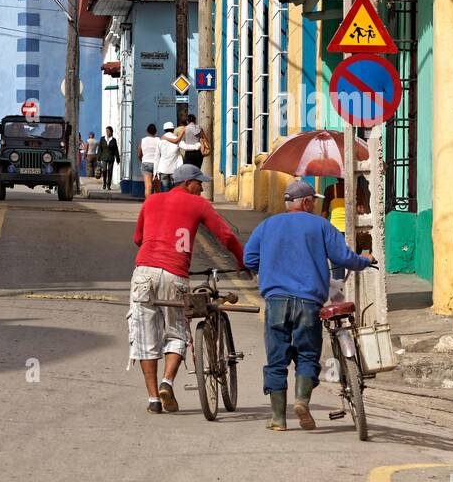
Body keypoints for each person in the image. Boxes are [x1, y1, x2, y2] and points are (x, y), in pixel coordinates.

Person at [243, 179, 376, 433]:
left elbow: (249, 257)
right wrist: (364, 260)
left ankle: (278, 419)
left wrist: (271, 266)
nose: (315, 205)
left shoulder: (267, 225)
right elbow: (343, 258)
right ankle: (302, 401)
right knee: (307, 353)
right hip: (308, 302)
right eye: (313, 201)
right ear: (305, 202)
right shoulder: (320, 225)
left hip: (276, 301)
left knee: (276, 358)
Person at [130, 163, 245, 414]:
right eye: (199, 183)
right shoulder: (199, 205)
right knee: (177, 332)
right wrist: (242, 259)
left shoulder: (151, 201)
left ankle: (153, 400)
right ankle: (167, 382)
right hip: (174, 274)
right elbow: (225, 236)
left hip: (143, 272)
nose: (202, 188)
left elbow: (137, 239)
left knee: (145, 337)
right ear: (187, 184)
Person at [153, 121, 183, 192]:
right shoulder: (177, 139)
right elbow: (185, 146)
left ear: (164, 130)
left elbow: (157, 157)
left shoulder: (160, 141)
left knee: (165, 190)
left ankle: (166, 202)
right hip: (174, 169)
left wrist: (155, 172)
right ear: (173, 129)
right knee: (173, 190)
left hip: (163, 169)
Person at [137, 123, 160, 198]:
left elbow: (139, 154)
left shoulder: (143, 140)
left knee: (148, 186)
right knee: (157, 187)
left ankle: (148, 205)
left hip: (146, 163)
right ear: (155, 131)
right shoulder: (158, 140)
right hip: (157, 164)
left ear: (147, 131)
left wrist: (142, 160)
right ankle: (157, 204)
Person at [97, 126, 120, 190]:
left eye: (108, 131)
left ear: (111, 132)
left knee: (110, 171)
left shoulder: (113, 140)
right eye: (106, 131)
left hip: (111, 158)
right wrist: (98, 158)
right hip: (103, 157)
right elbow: (100, 149)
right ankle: (104, 183)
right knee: (104, 170)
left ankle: (108, 185)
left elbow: (116, 150)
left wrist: (118, 158)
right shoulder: (102, 139)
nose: (107, 132)